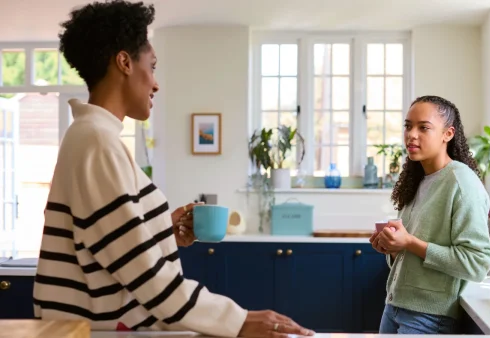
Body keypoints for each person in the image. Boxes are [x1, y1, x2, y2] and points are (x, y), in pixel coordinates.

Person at [32, 1, 315, 337]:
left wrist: (163, 229)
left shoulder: (91, 137)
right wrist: (239, 320)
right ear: (124, 62)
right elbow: (146, 276)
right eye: (151, 67)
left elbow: (109, 247)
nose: (155, 83)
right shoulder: (97, 142)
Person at [369, 95, 490, 334]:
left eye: (423, 127)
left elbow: (479, 262)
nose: (411, 135)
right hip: (395, 307)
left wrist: (409, 242)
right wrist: (394, 249)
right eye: (408, 126)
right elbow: (412, 251)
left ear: (448, 134)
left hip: (429, 317)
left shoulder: (461, 182)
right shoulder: (418, 180)